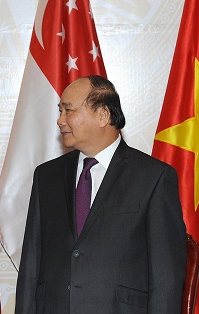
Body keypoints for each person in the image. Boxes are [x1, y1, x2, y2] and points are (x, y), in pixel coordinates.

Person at [15, 75, 187, 313]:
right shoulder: (46, 176)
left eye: (68, 111)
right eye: (60, 111)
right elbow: (31, 265)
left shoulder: (154, 178)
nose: (60, 121)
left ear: (103, 115)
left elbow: (166, 277)